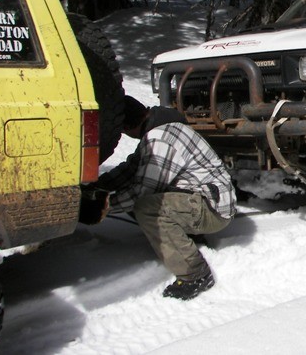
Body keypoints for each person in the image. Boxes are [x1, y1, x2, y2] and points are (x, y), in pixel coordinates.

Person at [79, 95, 236, 301]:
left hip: (212, 210)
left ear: (127, 127)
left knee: (147, 207)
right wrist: (97, 186)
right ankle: (187, 238)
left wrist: (102, 207)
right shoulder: (158, 129)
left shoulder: (161, 139)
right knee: (141, 197)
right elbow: (131, 169)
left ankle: (195, 274)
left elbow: (141, 192)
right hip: (200, 200)